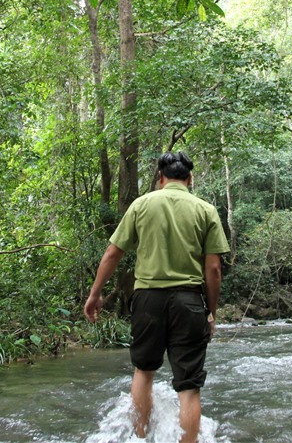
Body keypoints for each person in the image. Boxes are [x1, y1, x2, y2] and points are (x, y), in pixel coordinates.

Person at [84, 152, 230, 443]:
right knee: (188, 386)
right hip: (189, 303)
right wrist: (210, 312)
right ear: (189, 179)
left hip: (148, 301)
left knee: (144, 371)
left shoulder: (142, 205)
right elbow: (213, 269)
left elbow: (113, 253)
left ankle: (138, 438)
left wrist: (95, 294)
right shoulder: (205, 210)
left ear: (160, 178)